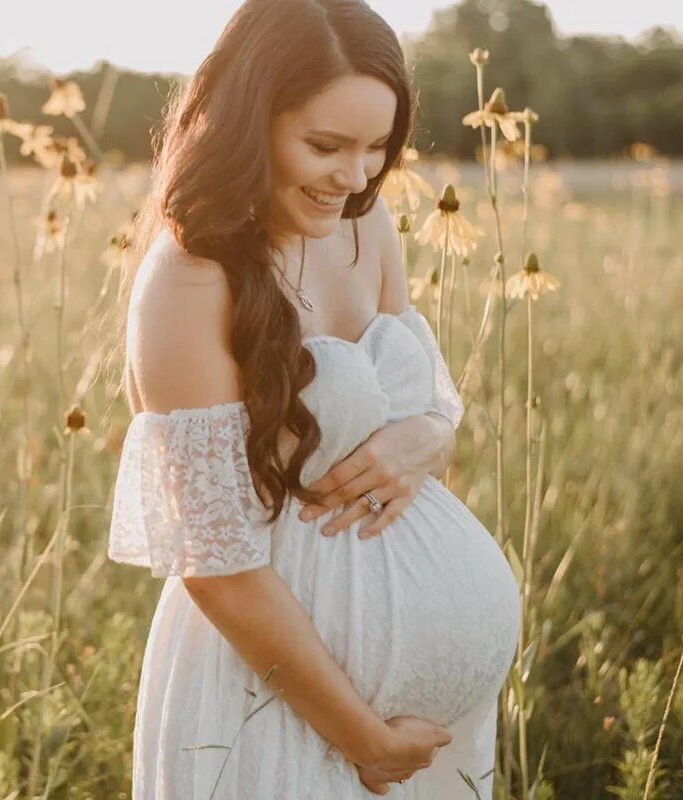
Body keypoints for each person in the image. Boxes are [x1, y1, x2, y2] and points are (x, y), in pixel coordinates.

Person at [108, 0, 521, 796]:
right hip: (281, 708)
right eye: (325, 146)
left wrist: (426, 437)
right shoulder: (191, 280)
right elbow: (217, 564)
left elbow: (427, 405)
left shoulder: (367, 227)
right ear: (245, 123)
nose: (357, 177)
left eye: (377, 148)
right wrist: (362, 735)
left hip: (428, 737)